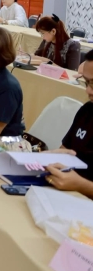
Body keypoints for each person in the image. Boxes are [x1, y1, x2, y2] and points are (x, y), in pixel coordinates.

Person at [43, 50, 93, 199]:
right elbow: (65, 150)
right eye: (86, 82)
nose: (88, 90)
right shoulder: (87, 110)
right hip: (66, 192)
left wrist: (82, 186)